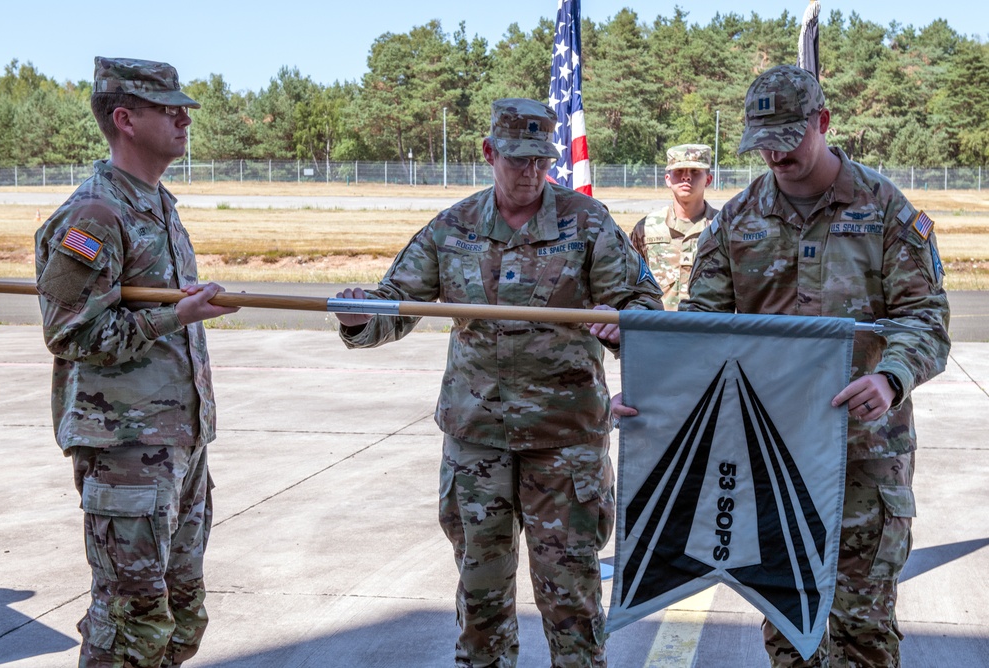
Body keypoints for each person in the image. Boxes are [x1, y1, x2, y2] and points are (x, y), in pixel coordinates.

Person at [334, 98, 663, 667]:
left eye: (541, 159)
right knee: (480, 591)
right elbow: (397, 302)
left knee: (572, 596)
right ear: (490, 153)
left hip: (564, 441)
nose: (531, 172)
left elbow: (642, 304)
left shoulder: (587, 224)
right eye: (517, 159)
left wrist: (621, 325)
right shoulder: (453, 227)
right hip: (477, 438)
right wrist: (360, 315)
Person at [681, 65, 951, 667]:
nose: (775, 155)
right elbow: (699, 328)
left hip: (865, 451)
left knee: (863, 628)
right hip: (772, 454)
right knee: (788, 624)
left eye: (788, 138)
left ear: (823, 123)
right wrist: (654, 391)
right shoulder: (735, 220)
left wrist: (891, 377)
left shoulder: (883, 209)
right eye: (763, 142)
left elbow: (924, 316)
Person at [34, 57, 238, 668]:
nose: (184, 117)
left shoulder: (156, 204)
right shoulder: (95, 215)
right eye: (166, 108)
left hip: (179, 442)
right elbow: (69, 332)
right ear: (124, 119)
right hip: (126, 448)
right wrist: (175, 317)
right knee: (130, 620)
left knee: (180, 613)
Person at [629, 144, 718, 310]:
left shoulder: (723, 227)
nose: (686, 177)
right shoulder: (646, 228)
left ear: (708, 180)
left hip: (708, 329)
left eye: (694, 171)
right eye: (679, 171)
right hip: (658, 328)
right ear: (668, 179)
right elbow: (630, 282)